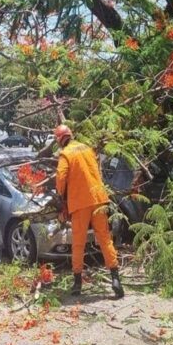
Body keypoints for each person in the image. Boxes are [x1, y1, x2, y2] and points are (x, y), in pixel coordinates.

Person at [54, 124, 124, 299]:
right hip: (98, 198)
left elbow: (61, 178)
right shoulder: (87, 148)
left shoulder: (65, 154)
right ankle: (116, 279)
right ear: (70, 135)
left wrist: (60, 199)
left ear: (60, 140)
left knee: (78, 242)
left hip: (80, 203)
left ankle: (77, 283)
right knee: (105, 238)